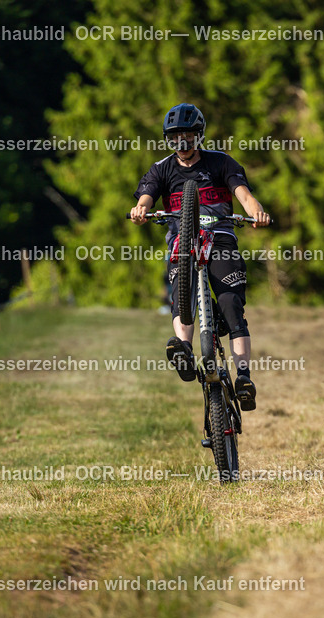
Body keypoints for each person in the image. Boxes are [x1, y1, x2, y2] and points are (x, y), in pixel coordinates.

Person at [129, 103, 270, 410]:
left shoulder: (221, 162)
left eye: (187, 136)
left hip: (220, 239)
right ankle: (183, 348)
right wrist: (140, 209)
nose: (181, 143)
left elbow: (244, 194)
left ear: (199, 136)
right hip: (182, 244)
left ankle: (243, 378)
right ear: (168, 139)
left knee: (231, 304)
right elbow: (147, 197)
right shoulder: (161, 169)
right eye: (175, 137)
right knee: (182, 296)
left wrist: (256, 212)